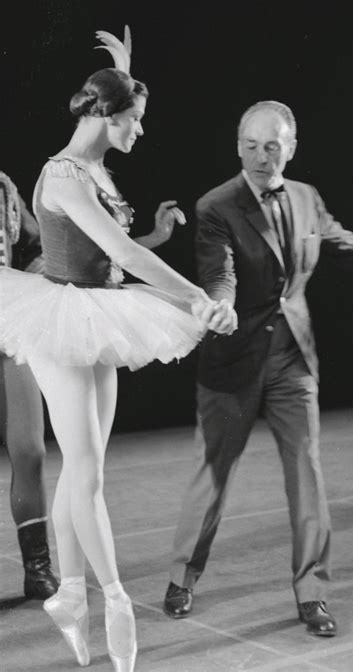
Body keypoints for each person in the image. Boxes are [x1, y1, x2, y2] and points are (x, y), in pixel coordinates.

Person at [162, 100, 353, 637]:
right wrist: (221, 303)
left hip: (293, 361)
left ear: (291, 148)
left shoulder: (306, 198)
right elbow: (219, 272)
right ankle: (184, 576)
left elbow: (345, 247)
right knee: (213, 475)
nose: (260, 157)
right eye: (250, 147)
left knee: (307, 473)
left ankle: (312, 593)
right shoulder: (215, 206)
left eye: (271, 147)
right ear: (237, 147)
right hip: (232, 360)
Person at [0, 28, 224, 672]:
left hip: (97, 312)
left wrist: (126, 74)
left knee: (82, 469)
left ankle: (70, 593)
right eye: (135, 121)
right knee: (87, 470)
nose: (141, 132)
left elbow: (120, 253)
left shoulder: (97, 165)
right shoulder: (62, 173)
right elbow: (120, 254)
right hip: (57, 320)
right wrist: (196, 300)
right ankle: (115, 600)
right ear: (107, 117)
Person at [0, 171, 59, 600]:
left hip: (6, 329)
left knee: (30, 448)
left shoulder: (2, 188)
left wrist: (40, 272)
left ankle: (37, 568)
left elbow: (35, 248)